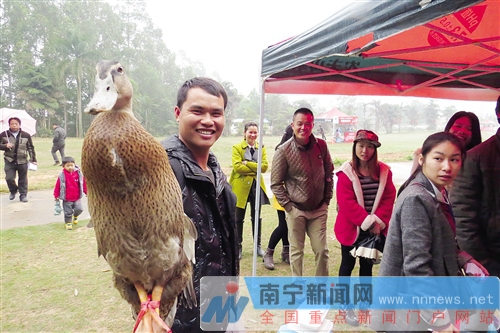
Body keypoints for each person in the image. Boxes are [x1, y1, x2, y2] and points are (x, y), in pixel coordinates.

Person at [379, 132, 488, 333]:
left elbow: (440, 240)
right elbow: (416, 267)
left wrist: (465, 259)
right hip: (411, 305)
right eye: (438, 158)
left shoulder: (438, 191)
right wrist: (440, 321)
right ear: (422, 159)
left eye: (454, 159)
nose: (447, 166)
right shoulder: (416, 199)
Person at [161, 77, 239, 333]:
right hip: (180, 316)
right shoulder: (161, 168)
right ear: (177, 113)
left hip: (218, 301)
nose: (208, 120)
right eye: (197, 111)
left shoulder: (215, 171)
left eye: (216, 113)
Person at [334, 129, 396, 325]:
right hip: (351, 229)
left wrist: (377, 222)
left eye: (369, 147)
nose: (365, 150)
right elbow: (346, 202)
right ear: (355, 147)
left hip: (374, 231)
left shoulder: (384, 171)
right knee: (347, 264)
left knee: (367, 266)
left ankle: (365, 303)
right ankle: (344, 304)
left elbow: (388, 197)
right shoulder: (346, 172)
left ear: (375, 149)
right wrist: (367, 222)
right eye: (361, 146)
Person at [450, 97, 500, 332]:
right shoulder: (478, 157)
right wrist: (484, 263)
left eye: (468, 128)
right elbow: (463, 218)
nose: (462, 132)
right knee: (479, 323)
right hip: (489, 259)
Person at [271, 107, 334, 277]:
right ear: (293, 125)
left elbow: (329, 173)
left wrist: (327, 198)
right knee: (296, 252)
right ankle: (298, 288)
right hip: (296, 210)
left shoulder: (321, 146)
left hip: (319, 209)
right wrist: (289, 207)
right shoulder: (283, 150)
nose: (303, 128)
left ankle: (321, 288)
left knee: (321, 251)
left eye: (308, 124)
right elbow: (276, 183)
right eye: (299, 124)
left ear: (312, 125)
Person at [229, 121, 270, 258]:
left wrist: (248, 163)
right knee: (238, 218)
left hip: (256, 185)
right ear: (244, 133)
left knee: (256, 216)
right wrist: (255, 167)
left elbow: (264, 168)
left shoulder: (261, 148)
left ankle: (257, 246)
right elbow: (237, 167)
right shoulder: (236, 147)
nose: (253, 135)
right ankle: (238, 247)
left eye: (255, 132)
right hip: (240, 187)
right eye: (250, 132)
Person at [410, 111, 482, 174]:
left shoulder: (478, 160)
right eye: (458, 126)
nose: (462, 131)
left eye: (469, 129)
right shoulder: (428, 153)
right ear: (449, 127)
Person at [263, 125, 293, 270]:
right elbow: (277, 177)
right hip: (282, 193)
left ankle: (286, 251)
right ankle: (268, 253)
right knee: (284, 224)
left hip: (294, 194)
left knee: (288, 224)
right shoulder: (281, 151)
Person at [0, 117, 37, 202]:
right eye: (12, 124)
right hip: (9, 160)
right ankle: (13, 190)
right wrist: (5, 146)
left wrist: (33, 159)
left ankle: (23, 195)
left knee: (23, 179)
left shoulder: (26, 135)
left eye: (16, 124)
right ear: (9, 125)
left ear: (19, 124)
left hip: (22, 160)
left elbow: (30, 147)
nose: (14, 125)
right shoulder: (4, 134)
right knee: (9, 178)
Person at [53, 156, 87, 230]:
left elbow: (83, 183)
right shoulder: (62, 176)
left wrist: (86, 191)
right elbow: (58, 186)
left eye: (72, 165)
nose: (70, 167)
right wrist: (56, 195)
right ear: (63, 166)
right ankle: (68, 223)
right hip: (67, 199)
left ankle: (75, 216)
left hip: (77, 197)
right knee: (68, 212)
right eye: (68, 166)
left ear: (75, 165)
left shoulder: (78, 173)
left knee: (79, 209)